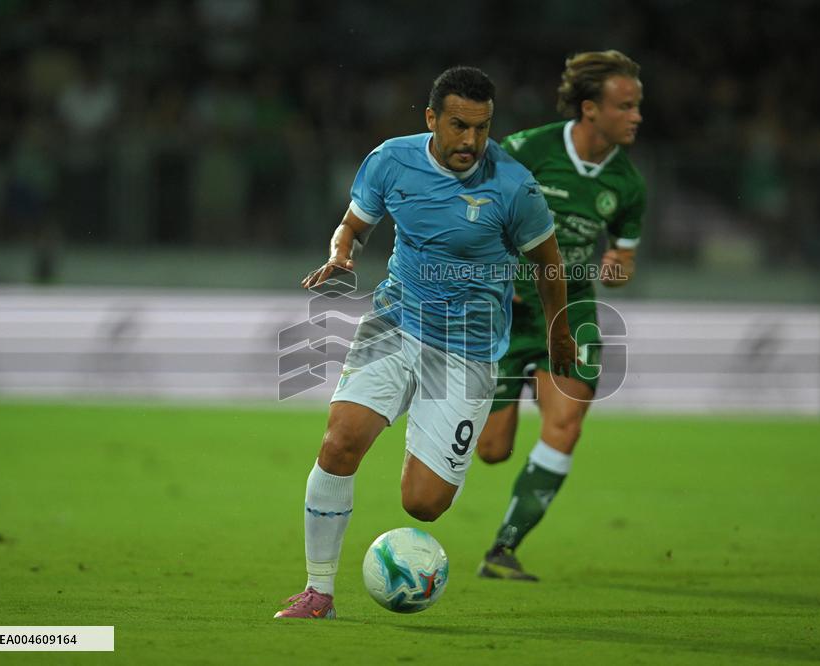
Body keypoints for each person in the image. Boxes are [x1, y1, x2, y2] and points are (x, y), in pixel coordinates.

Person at [275, 66, 575, 619]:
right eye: (459, 125)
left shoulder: (515, 186)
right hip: (395, 322)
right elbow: (354, 225)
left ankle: (427, 435)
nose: (471, 141)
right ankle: (319, 592)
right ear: (432, 118)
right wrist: (341, 254)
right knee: (339, 444)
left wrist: (559, 331)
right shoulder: (391, 160)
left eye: (482, 128)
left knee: (424, 503)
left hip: (468, 351)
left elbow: (550, 266)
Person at [475, 50, 646, 580]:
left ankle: (503, 548)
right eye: (625, 106)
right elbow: (473, 212)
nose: (637, 116)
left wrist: (618, 269)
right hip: (509, 308)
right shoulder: (527, 150)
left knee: (566, 427)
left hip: (571, 309)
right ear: (590, 108)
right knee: (492, 450)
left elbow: (622, 260)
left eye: (637, 105)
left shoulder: (628, 185)